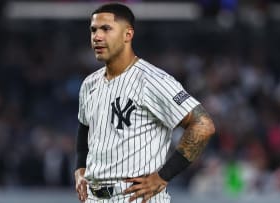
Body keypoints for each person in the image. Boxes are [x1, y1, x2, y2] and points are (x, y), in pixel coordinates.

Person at [75, 3, 215, 203]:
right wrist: (80, 169)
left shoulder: (152, 80)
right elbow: (84, 128)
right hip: (94, 198)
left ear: (127, 35)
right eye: (93, 30)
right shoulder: (89, 83)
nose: (97, 36)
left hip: (136, 197)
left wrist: (163, 176)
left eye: (106, 29)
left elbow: (203, 125)